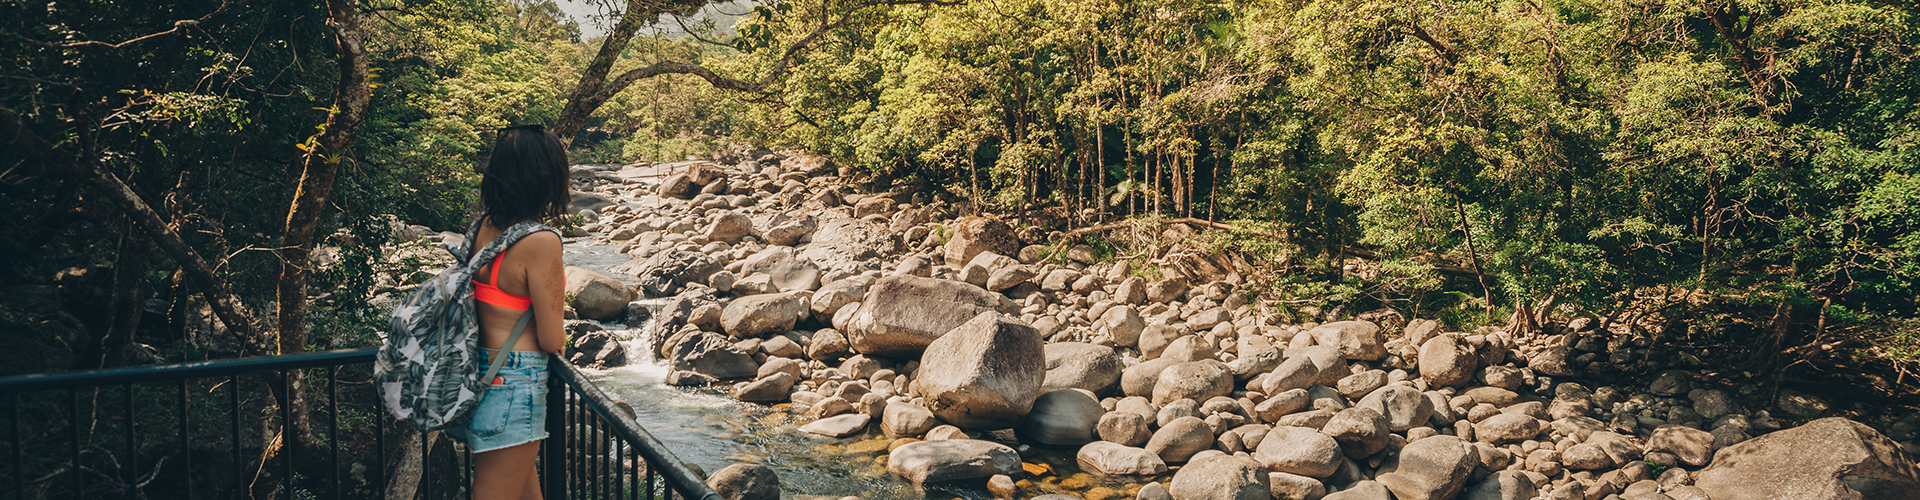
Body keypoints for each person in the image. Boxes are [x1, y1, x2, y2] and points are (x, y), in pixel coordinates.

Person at [464, 125, 570, 500]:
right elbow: (551, 338)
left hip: (479, 371)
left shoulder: (483, 228)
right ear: (547, 175)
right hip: (514, 381)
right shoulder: (540, 241)